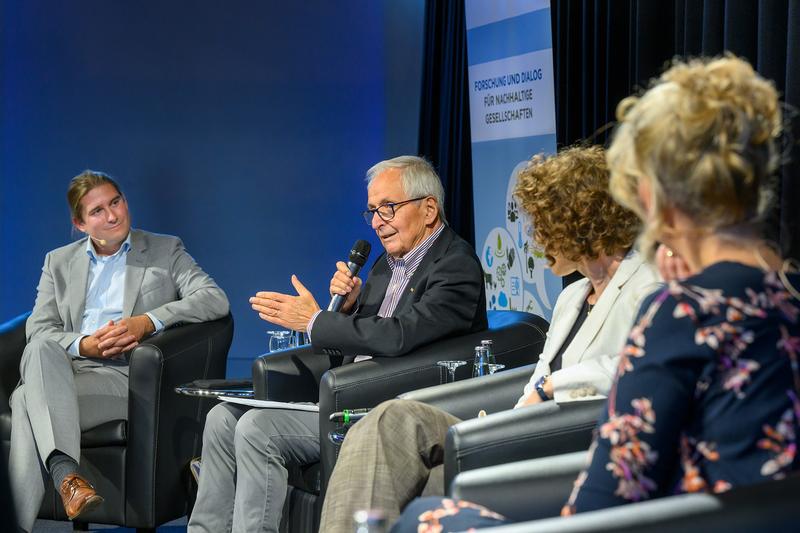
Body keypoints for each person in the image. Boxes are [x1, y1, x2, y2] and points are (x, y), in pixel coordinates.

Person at [394, 55, 800, 531]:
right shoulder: (784, 300)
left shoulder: (684, 311)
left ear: (653, 194)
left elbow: (609, 491)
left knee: (426, 516)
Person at [318, 145, 661, 532]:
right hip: (519, 423)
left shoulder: (648, 286)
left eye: (543, 223)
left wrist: (550, 388)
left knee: (393, 416)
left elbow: (638, 371)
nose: (533, 238)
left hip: (568, 435)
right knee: (424, 472)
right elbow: (535, 383)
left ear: (581, 221)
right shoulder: (571, 297)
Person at [187, 155, 487, 533]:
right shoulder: (385, 264)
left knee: (257, 429)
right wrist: (348, 309)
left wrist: (315, 321)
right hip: (342, 391)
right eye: (373, 211)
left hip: (387, 408)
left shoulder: (455, 265)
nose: (378, 221)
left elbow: (399, 336)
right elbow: (369, 333)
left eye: (388, 208)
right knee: (220, 419)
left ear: (429, 209)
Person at [9, 170, 230, 532]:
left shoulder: (164, 249)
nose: (113, 216)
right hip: (65, 372)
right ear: (80, 224)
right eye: (97, 211)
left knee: (23, 402)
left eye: (116, 202)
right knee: (41, 348)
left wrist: (149, 321)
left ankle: (46, 495)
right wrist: (84, 343)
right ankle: (69, 482)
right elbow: (39, 328)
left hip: (126, 379)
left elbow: (214, 299)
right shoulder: (58, 262)